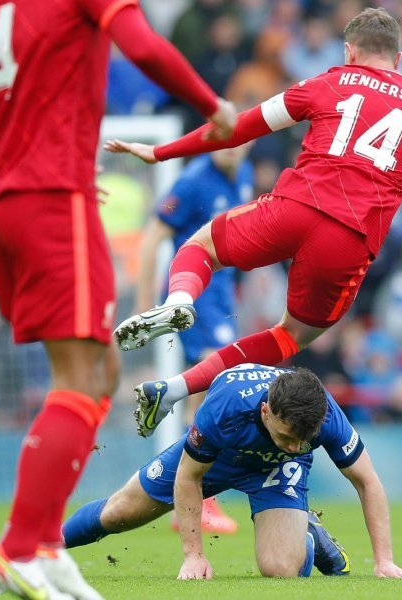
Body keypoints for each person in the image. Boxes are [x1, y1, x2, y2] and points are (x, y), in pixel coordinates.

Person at [106, 7, 402, 437]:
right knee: (290, 336)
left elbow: (239, 128)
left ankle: (179, 302)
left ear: (348, 51)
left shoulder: (329, 81)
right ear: (399, 60)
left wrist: (160, 153)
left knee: (199, 246)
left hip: (293, 208)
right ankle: (173, 390)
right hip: (349, 240)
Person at [0, 0, 236, 597]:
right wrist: (214, 107)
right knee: (78, 379)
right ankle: (18, 548)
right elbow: (144, 45)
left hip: (1, 199)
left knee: (101, 370)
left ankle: (45, 546)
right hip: (50, 198)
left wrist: (19, 153)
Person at [60, 364, 402, 580]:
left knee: (279, 570)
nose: (294, 445)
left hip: (276, 471)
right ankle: (38, 546)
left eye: (302, 440)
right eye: (287, 436)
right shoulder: (225, 406)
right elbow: (189, 476)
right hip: (219, 457)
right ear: (266, 411)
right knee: (119, 512)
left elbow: (367, 482)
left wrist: (384, 560)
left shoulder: (325, 416)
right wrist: (194, 556)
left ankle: (306, 535)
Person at [135, 145, 253, 533]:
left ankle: (195, 498)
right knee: (210, 387)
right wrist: (144, 306)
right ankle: (197, 499)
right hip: (198, 296)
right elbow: (152, 236)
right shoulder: (192, 181)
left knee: (211, 389)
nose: (236, 148)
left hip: (222, 298)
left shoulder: (245, 174)